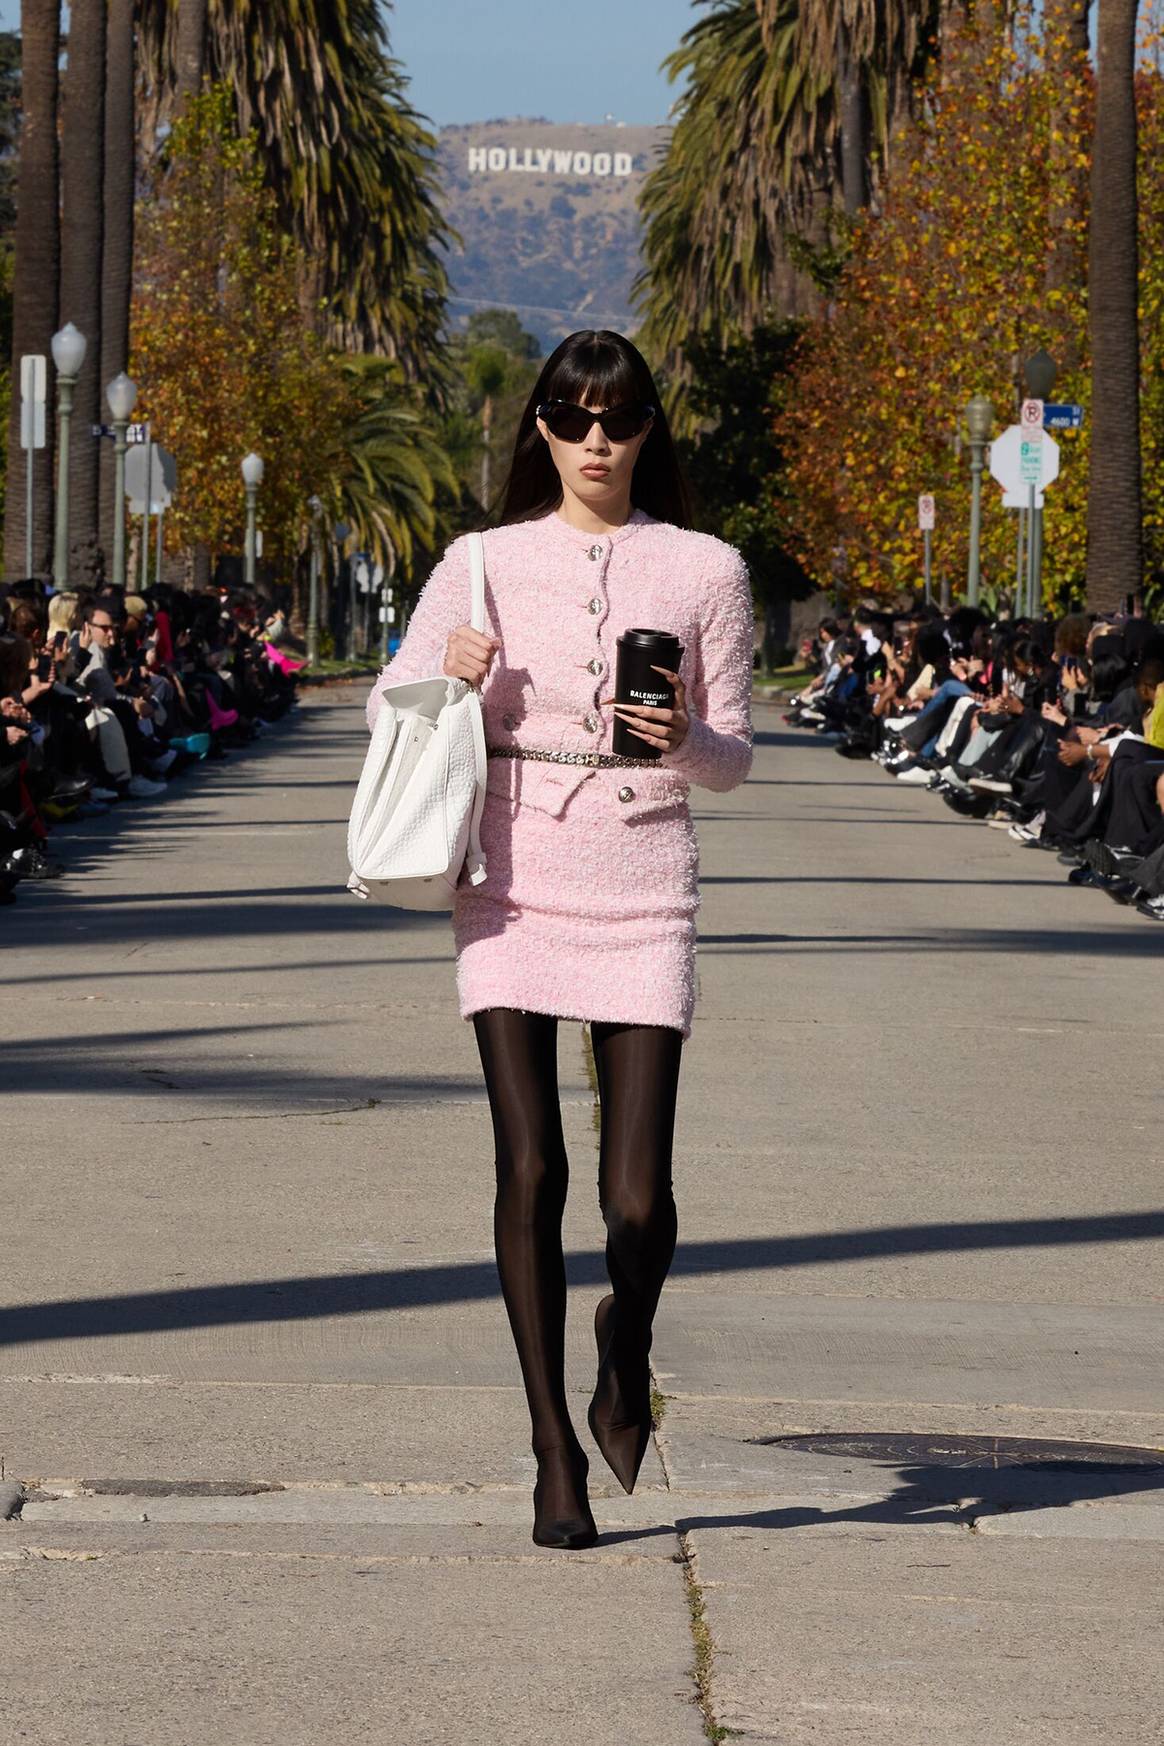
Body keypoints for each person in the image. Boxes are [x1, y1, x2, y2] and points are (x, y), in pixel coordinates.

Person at [364, 330, 754, 1550]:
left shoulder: (705, 569)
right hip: (511, 875)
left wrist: (680, 733)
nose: (597, 442)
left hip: (644, 876)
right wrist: (455, 674)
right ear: (540, 427)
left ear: (649, 431)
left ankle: (621, 1349)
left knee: (639, 1202)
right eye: (575, 419)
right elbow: (393, 703)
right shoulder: (479, 562)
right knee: (531, 1169)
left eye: (621, 419)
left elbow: (735, 757)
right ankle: (551, 1450)